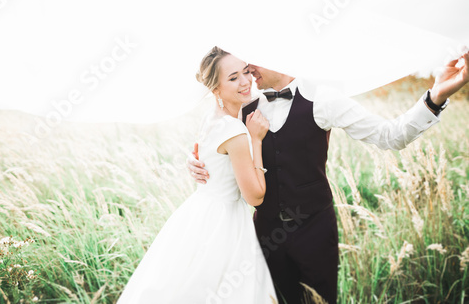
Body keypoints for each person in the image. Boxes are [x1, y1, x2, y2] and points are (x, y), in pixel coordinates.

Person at [187, 49, 469, 304]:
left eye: (253, 61)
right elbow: (217, 141)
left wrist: (436, 96)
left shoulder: (323, 100)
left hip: (315, 233)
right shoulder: (245, 103)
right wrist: (194, 161)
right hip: (263, 235)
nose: (249, 69)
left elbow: (389, 136)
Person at [117, 46, 278, 303]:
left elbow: (201, 154)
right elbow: (255, 197)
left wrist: (190, 159)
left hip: (200, 212)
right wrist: (256, 140)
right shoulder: (235, 130)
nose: (246, 81)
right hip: (225, 222)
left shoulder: (210, 118)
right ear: (215, 89)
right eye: (233, 77)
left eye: (246, 72)